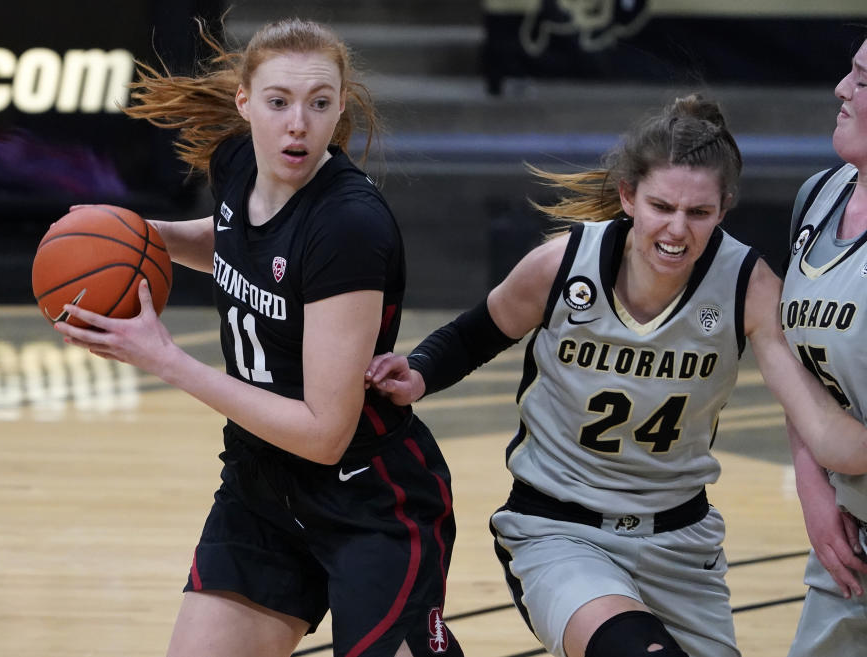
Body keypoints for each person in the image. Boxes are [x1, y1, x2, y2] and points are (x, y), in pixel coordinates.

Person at [366, 94, 867, 657]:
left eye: (699, 213)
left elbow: (820, 427)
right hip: (559, 529)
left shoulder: (747, 286)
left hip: (681, 544)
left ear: (724, 209)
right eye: (661, 206)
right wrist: (421, 372)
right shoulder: (563, 265)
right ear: (628, 196)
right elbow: (477, 332)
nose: (677, 229)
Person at [53, 17, 461, 657]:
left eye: (319, 104)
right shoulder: (238, 161)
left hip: (368, 499)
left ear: (339, 108)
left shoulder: (348, 225)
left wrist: (165, 359)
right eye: (278, 103)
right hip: (262, 484)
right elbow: (233, 239)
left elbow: (324, 434)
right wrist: (133, 237)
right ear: (245, 103)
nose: (297, 123)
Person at [783, 35, 867, 657]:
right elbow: (796, 371)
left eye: (862, 81)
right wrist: (815, 491)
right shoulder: (819, 194)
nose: (841, 88)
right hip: (846, 527)